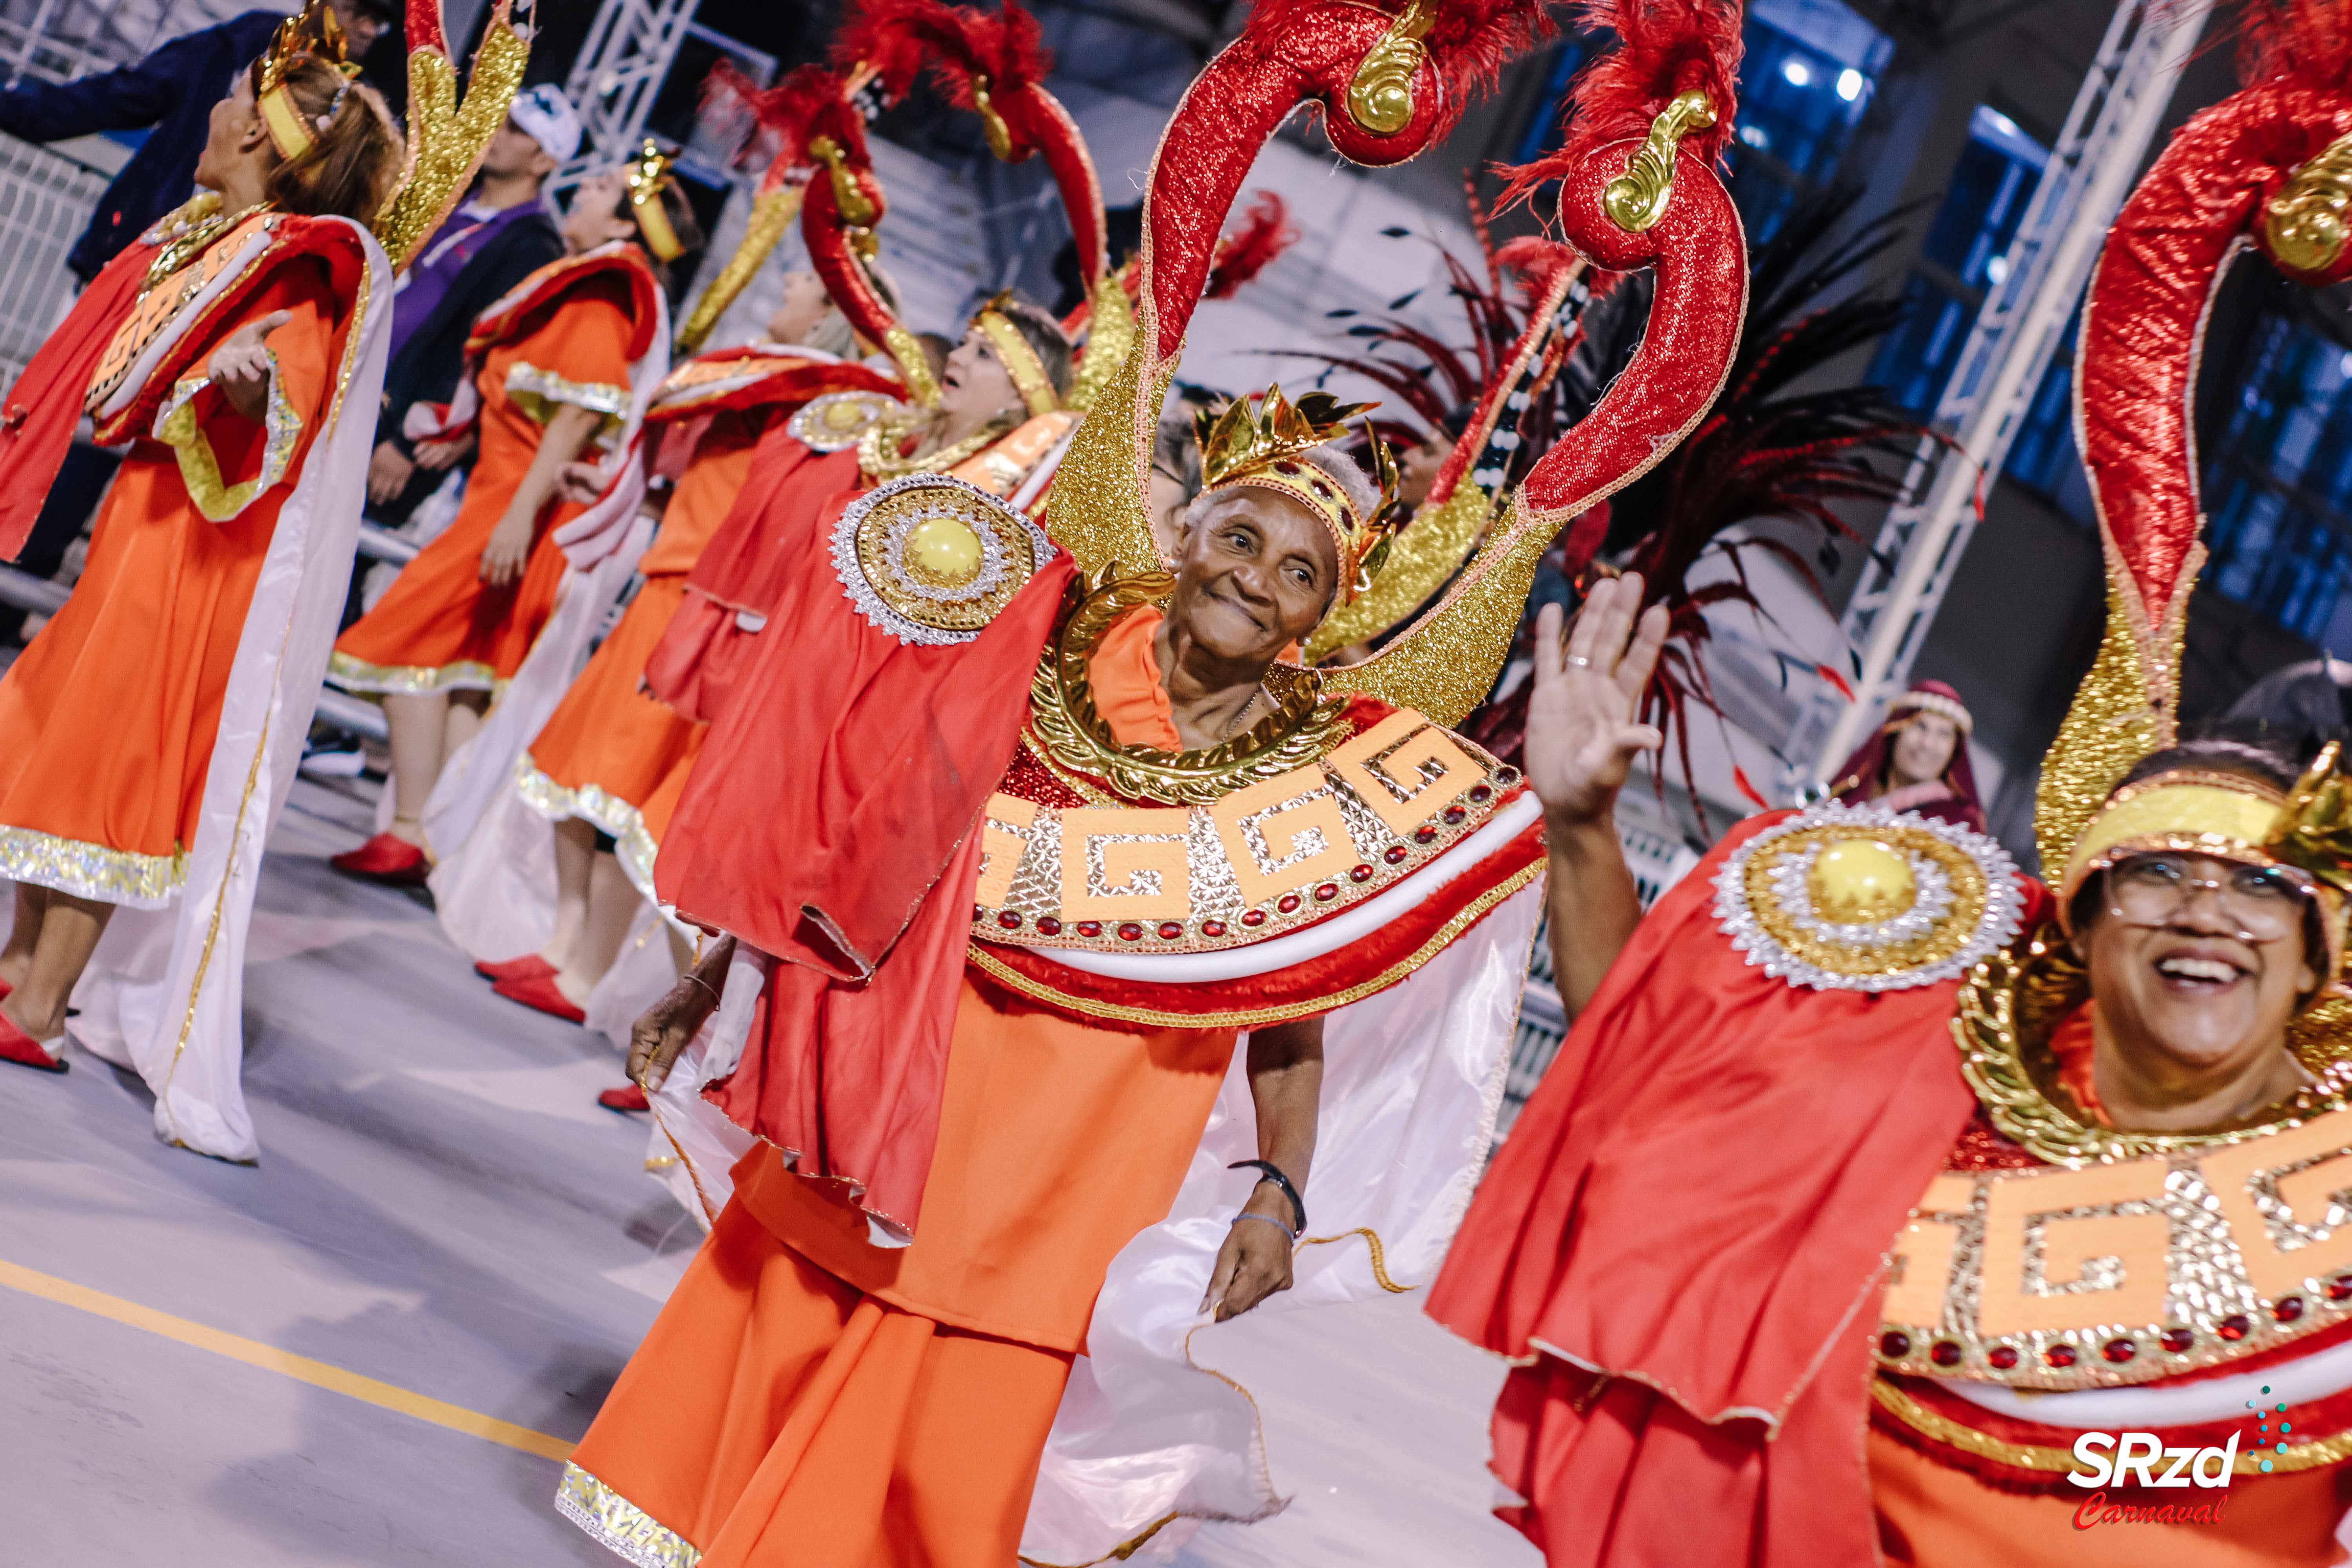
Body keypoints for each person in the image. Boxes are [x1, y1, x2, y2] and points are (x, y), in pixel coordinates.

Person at [1426, 12, 2352, 1555]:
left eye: (2261, 890)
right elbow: (1658, 1068)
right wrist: (1581, 824)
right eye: (2167, 879)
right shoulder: (1946, 1073)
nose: (2208, 916)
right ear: (2082, 916)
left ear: (2326, 957)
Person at [552, 377, 1551, 1565]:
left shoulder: (1307, 782)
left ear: (1320, 621)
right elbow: (869, 846)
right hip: (903, 1083)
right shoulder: (1034, 654)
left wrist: (1276, 1192)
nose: (1254, 576)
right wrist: (713, 981)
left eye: (1299, 573)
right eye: (1238, 537)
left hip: (1084, 1147)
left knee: (967, 1397)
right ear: (1181, 537)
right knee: (800, 1309)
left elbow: (1293, 1005)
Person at [0, 4, 414, 1146]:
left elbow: (297, 388)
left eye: (234, 100)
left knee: (102, 769)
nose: (218, 105)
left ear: (264, 142)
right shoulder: (206, 235)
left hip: (190, 565)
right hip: (142, 536)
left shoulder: (306, 267)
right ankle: (18, 968)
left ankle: (40, 1004)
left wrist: (247, 384)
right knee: (52, 742)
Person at [425, 269, 903, 1034]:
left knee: (630, 796)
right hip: (664, 586)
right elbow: (717, 493)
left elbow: (778, 528)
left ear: (830, 317)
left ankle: (589, 971)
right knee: (573, 770)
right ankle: (565, 942)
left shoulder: (833, 411)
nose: (781, 290)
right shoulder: (768, 388)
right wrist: (637, 496)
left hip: (712, 613)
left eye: (802, 287)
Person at [325, 145, 702, 884]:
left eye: (598, 189)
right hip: (512, 495)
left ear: (626, 222)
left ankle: (412, 827)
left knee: (402, 644)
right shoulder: (600, 285)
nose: (582, 194)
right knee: (466, 676)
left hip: (517, 504)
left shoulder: (599, 289)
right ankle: (434, 837)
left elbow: (576, 413)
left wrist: (517, 519)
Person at [0, 0, 398, 639]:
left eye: (380, 22)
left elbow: (273, 417)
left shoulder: (296, 264)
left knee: (141, 455)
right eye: (359, 10)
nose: (368, 30)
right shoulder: (249, 41)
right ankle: (35, 582)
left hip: (216, 307)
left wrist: (263, 390)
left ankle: (53, 589)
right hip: (146, 263)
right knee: (72, 418)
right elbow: (126, 94)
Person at [363, 84, 576, 528]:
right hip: (358, 385)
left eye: (518, 131)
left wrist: (409, 441)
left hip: (397, 426)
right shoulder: (454, 200)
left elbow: (483, 352)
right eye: (502, 119)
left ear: (544, 161)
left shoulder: (533, 248)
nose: (498, 132)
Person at [1830, 678, 1985, 830]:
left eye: (1944, 734)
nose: (1928, 744)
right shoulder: (1848, 791)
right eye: (1921, 726)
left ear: (1954, 752)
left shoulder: (1959, 822)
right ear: (1895, 731)